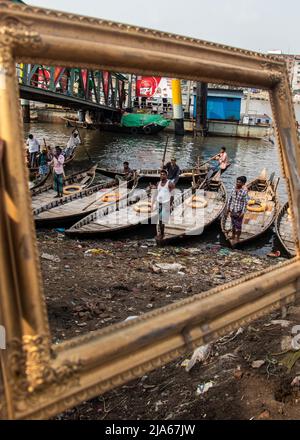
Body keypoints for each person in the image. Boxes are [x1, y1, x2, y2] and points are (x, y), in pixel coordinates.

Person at [226, 176, 248, 244]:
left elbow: (245, 202)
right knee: (233, 224)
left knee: (238, 226)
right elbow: (230, 199)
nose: (237, 183)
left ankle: (237, 238)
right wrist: (228, 208)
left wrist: (243, 212)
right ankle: (232, 236)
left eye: (239, 182)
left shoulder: (244, 192)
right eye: (237, 181)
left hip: (239, 211)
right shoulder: (233, 188)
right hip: (232, 209)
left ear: (243, 183)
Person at [155, 169, 175, 240]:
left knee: (162, 219)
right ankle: (161, 232)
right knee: (160, 219)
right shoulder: (158, 183)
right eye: (161, 174)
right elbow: (157, 193)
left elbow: (172, 195)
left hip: (166, 203)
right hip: (159, 203)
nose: (162, 175)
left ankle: (162, 234)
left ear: (166, 176)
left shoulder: (170, 184)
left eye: (164, 174)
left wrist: (170, 205)